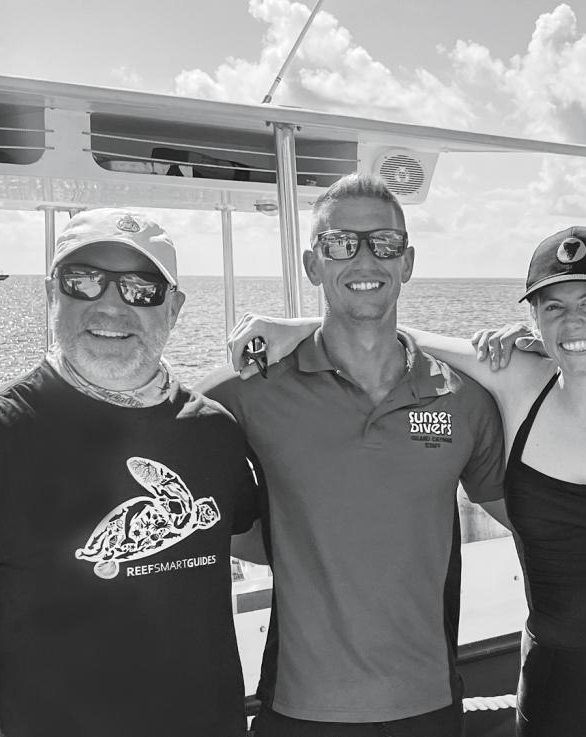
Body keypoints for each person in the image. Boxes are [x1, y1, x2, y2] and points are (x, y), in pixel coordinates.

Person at [227, 226, 586, 737]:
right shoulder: (515, 387)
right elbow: (393, 338)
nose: (573, 321)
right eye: (552, 307)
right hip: (563, 686)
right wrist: (301, 329)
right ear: (533, 318)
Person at [0, 209, 262, 737]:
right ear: (51, 296)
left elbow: (256, 541)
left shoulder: (213, 433)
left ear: (174, 308)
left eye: (140, 289)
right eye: (83, 282)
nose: (110, 304)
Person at [196, 173, 508, 737]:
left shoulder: (465, 400)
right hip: (297, 708)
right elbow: (155, 431)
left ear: (407, 262)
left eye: (383, 244)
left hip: (428, 703)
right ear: (314, 265)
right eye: (341, 244)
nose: (364, 259)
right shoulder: (252, 389)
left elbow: (540, 525)